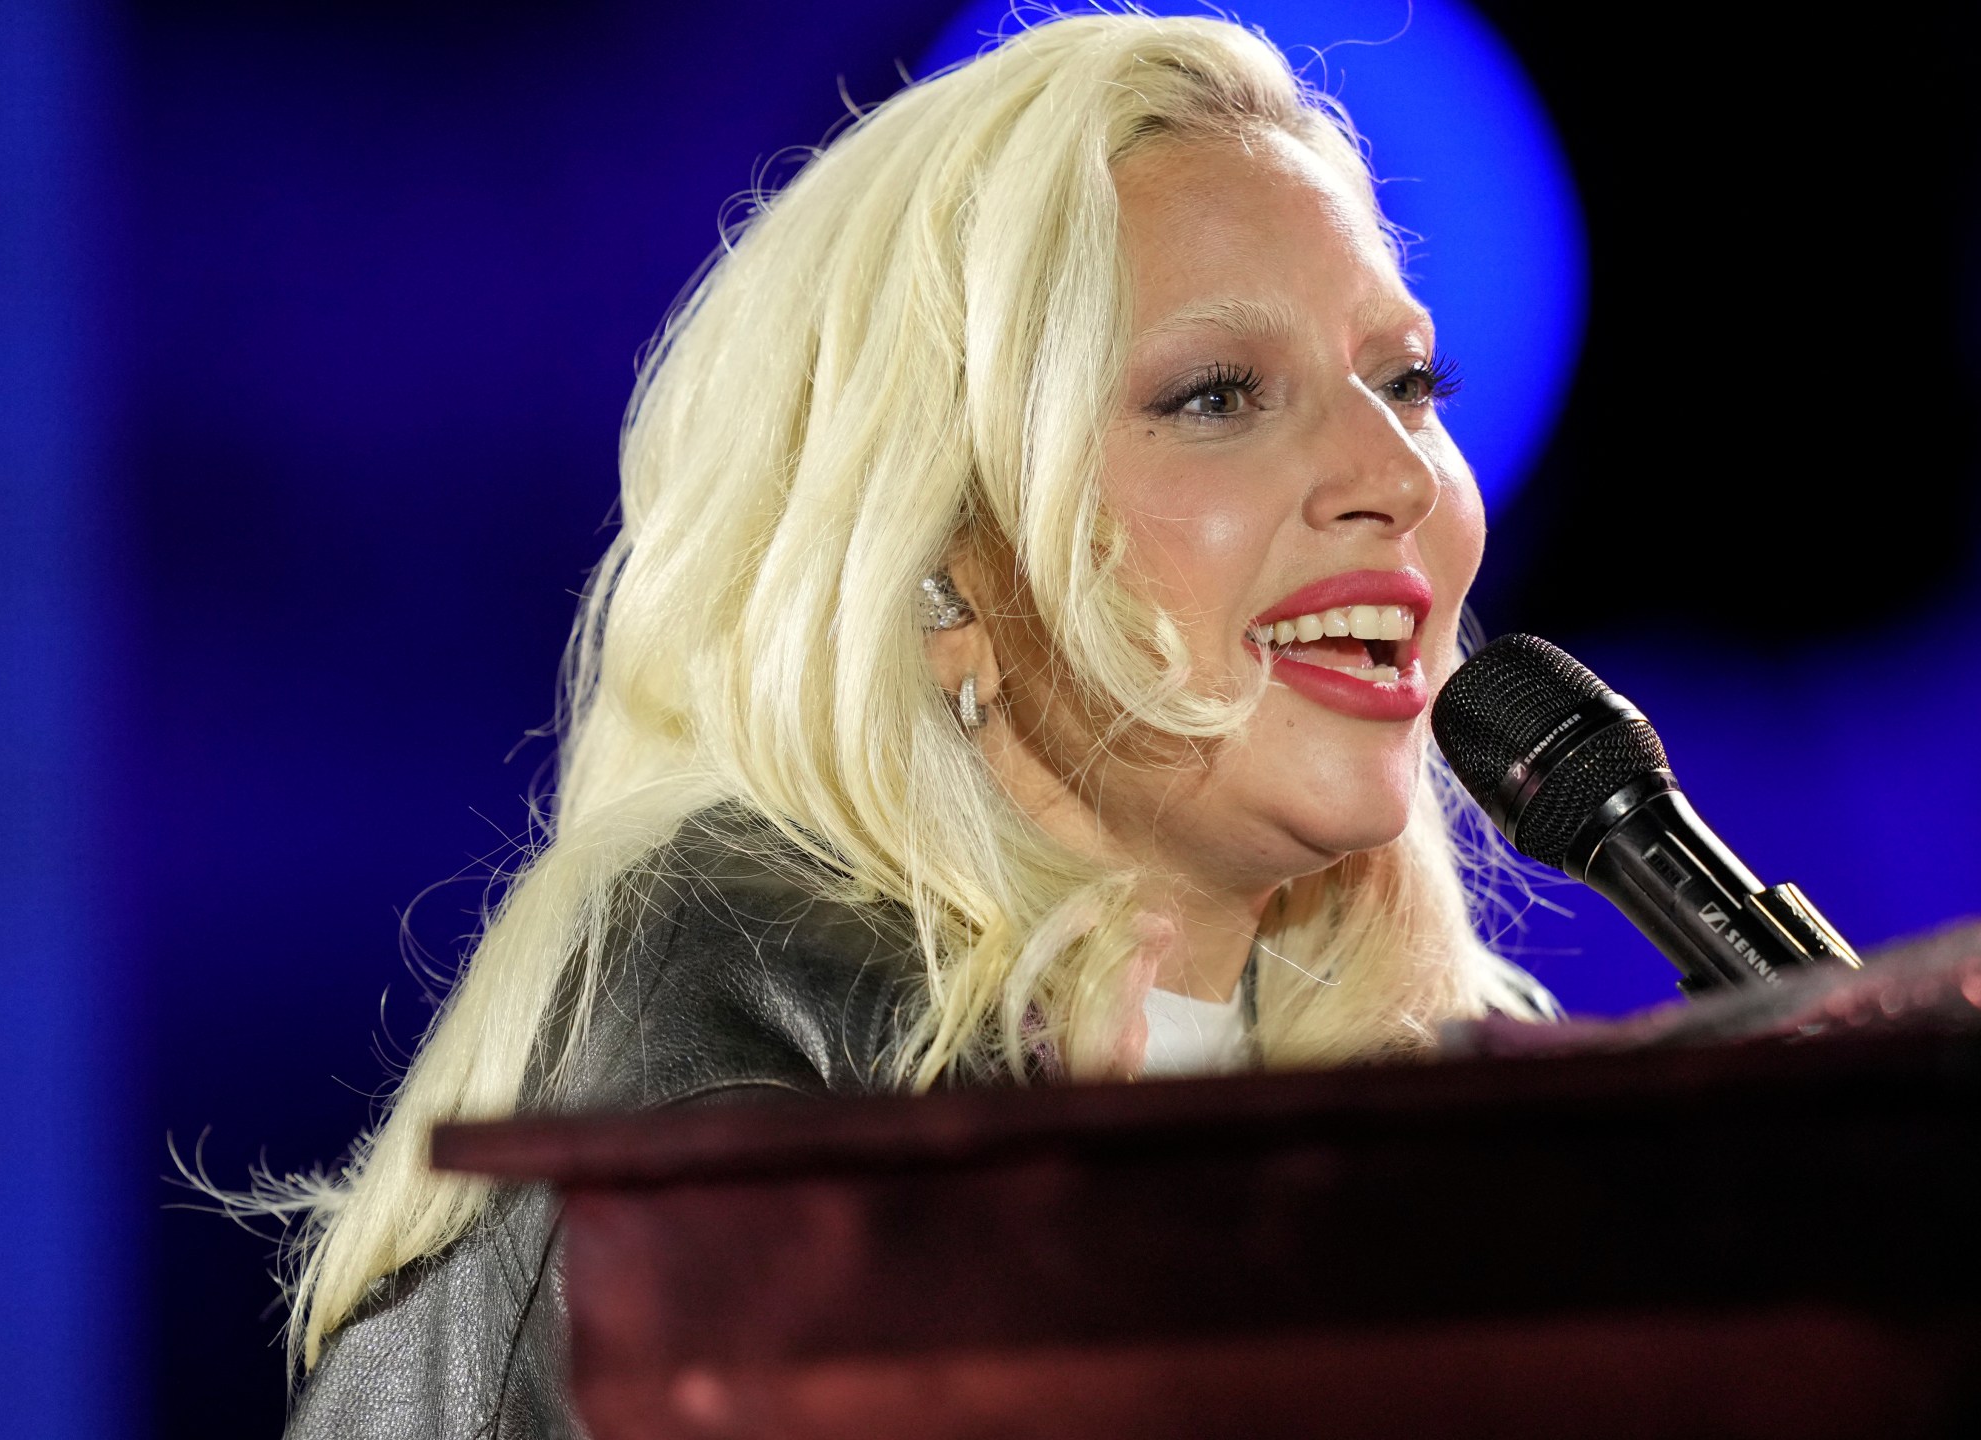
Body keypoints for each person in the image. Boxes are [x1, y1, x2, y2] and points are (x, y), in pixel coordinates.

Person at [272, 12, 1555, 1435]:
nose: (1396, 471)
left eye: (1406, 381)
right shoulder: (732, 1009)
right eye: (1217, 396)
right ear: (950, 574)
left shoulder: (1428, 1140)